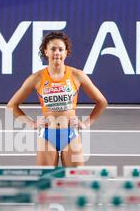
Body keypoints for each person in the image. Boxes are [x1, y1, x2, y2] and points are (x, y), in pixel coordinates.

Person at [7, 31, 108, 166]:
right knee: (45, 183)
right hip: (47, 136)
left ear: (66, 52)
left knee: (76, 182)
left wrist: (86, 124)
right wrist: (32, 124)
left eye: (61, 49)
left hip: (71, 134)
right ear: (46, 52)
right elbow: (12, 105)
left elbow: (102, 102)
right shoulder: (36, 78)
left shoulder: (77, 75)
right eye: (53, 49)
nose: (57, 53)